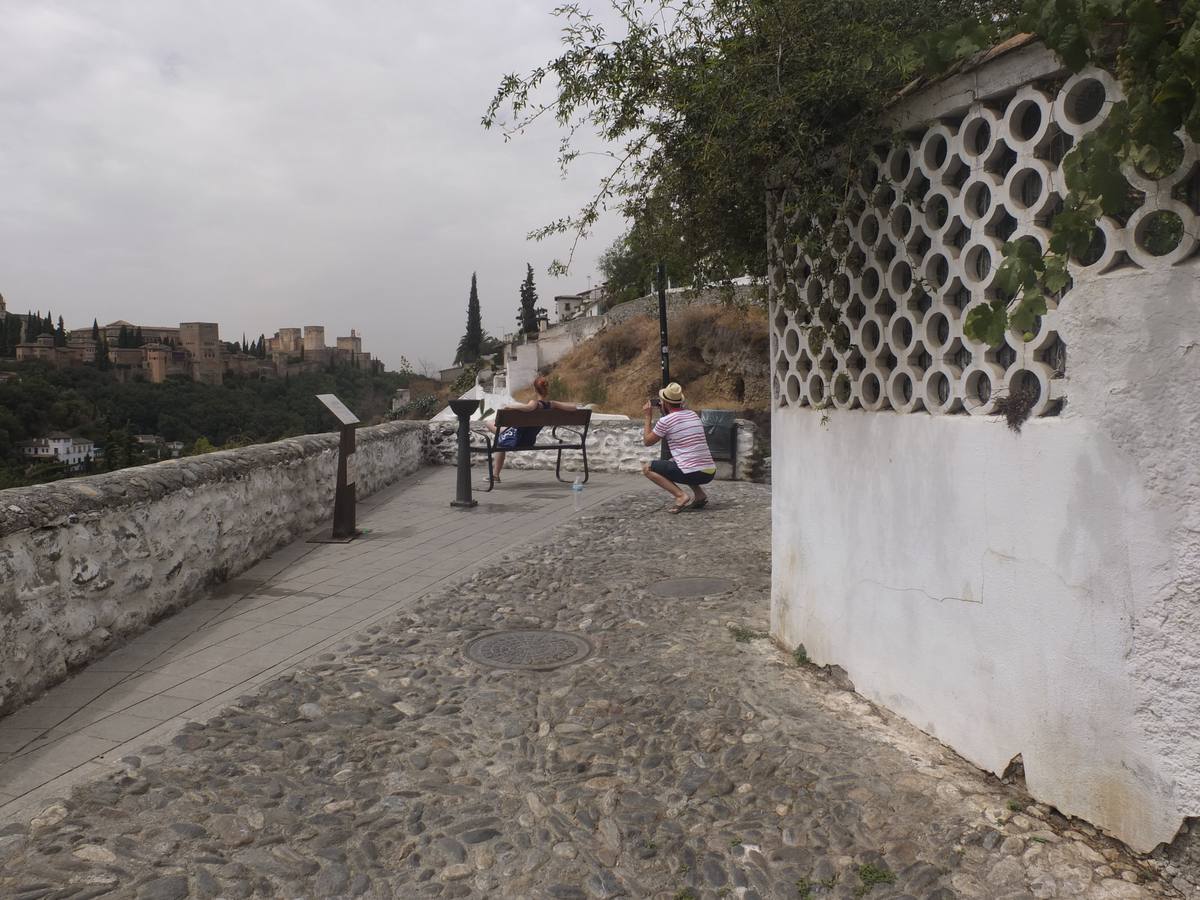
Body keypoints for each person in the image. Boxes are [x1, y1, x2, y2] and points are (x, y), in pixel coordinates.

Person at [641, 382, 716, 513]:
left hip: (693, 473)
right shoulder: (693, 414)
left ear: (665, 403)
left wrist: (648, 416)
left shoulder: (666, 421)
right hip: (709, 472)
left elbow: (647, 441)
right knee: (678, 460)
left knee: (648, 468)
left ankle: (681, 496)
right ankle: (700, 495)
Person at [485, 375, 577, 482]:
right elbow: (573, 407)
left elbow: (529, 408)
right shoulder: (551, 404)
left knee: (490, 425)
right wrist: (556, 403)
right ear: (547, 389)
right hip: (529, 440)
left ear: (535, 389)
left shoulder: (535, 403)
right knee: (500, 432)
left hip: (518, 439)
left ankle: (495, 475)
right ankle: (496, 474)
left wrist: (509, 406)